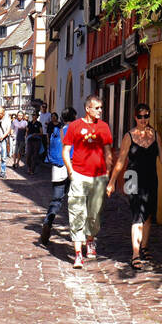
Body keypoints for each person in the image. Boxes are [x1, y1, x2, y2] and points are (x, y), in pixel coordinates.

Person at [106, 103, 162, 270]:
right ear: (135, 117)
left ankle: (144, 246)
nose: (143, 119)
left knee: (148, 214)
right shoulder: (129, 136)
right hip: (132, 178)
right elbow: (120, 161)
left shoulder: (154, 135)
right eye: (140, 116)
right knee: (137, 215)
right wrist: (112, 182)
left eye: (146, 116)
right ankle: (135, 253)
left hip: (150, 178)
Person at [63, 95, 114, 268]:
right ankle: (78, 254)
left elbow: (108, 151)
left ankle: (90, 238)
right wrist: (71, 172)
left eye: (101, 107)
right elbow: (66, 150)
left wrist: (108, 173)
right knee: (77, 211)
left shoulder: (104, 127)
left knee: (94, 213)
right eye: (97, 107)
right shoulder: (75, 126)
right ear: (88, 109)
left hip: (99, 176)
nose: (100, 110)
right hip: (79, 174)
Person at [39, 107, 76, 245]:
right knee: (76, 201)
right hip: (73, 167)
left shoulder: (58, 131)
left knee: (56, 200)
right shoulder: (75, 131)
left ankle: (48, 222)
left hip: (58, 168)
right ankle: (77, 233)